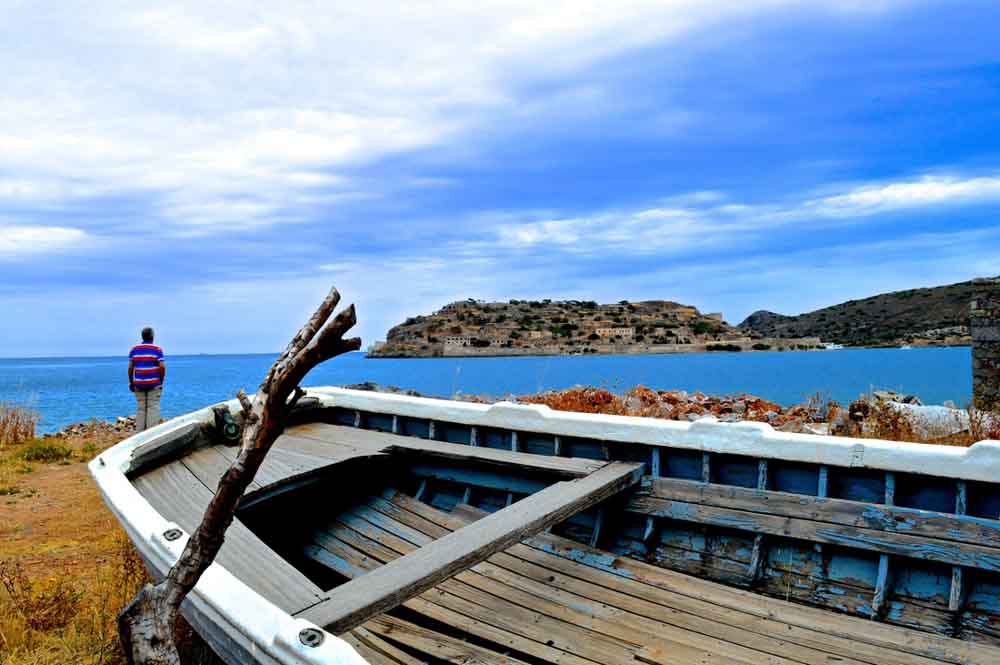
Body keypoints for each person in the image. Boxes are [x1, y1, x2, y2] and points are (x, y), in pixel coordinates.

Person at [128, 327, 166, 431]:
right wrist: (161, 381)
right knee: (152, 408)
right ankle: (150, 434)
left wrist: (131, 382)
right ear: (152, 337)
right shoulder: (157, 349)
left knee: (141, 409)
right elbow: (162, 366)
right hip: (154, 384)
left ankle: (139, 434)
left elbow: (131, 367)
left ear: (142, 336)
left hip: (138, 384)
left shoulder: (134, 349)